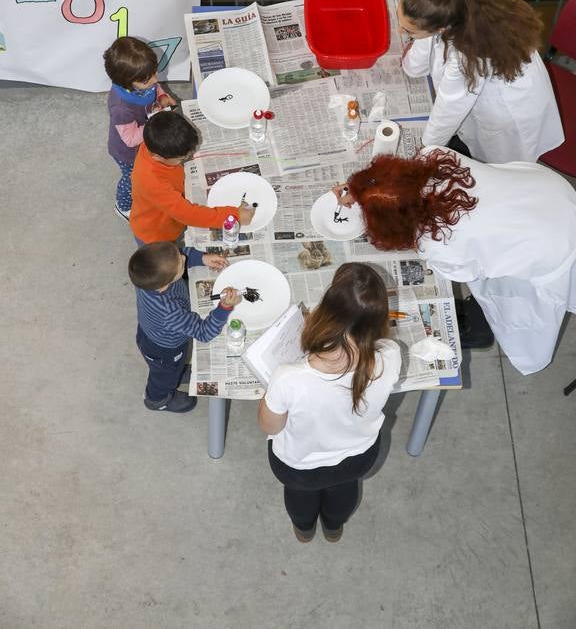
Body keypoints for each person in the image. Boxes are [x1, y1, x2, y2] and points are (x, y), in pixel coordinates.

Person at [333, 150, 576, 375]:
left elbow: (469, 271)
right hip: (545, 189)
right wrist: (365, 190)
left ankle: (491, 334)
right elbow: (393, 188)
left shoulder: (438, 246)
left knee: (517, 310)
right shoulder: (432, 156)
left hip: (551, 243)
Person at [258, 263, 401, 543]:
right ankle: (334, 528)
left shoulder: (289, 378)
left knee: (300, 497)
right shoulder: (390, 355)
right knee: (345, 491)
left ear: (327, 311)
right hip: (359, 457)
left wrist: (270, 392)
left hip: (298, 466)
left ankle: (304, 530)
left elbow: (269, 426)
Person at [398, 0, 564, 162]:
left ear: (441, 28)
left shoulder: (468, 54)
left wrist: (425, 151)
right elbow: (419, 56)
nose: (400, 31)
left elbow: (449, 107)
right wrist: (411, 62)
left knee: (502, 166)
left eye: (409, 31)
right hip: (495, 73)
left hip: (510, 108)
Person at [129, 241, 241, 412]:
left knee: (174, 368)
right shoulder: (169, 311)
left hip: (148, 331)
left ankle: (178, 371)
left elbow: (177, 254)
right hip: (165, 350)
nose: (183, 257)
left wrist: (202, 258)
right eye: (181, 263)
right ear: (164, 286)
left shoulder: (148, 277)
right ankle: (157, 400)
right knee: (164, 376)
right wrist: (224, 307)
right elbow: (204, 333)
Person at [130, 110, 255, 244]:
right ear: (158, 156)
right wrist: (234, 216)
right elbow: (187, 214)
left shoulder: (154, 142)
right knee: (170, 259)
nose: (187, 159)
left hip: (170, 216)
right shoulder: (152, 181)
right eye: (181, 159)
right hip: (157, 234)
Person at [103, 37, 177, 222]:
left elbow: (155, 88)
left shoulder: (145, 83)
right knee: (131, 179)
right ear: (127, 82)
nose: (154, 80)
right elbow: (130, 139)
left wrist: (163, 97)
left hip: (145, 140)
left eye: (154, 73)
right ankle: (123, 206)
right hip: (127, 153)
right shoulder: (121, 107)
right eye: (147, 80)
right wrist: (155, 120)